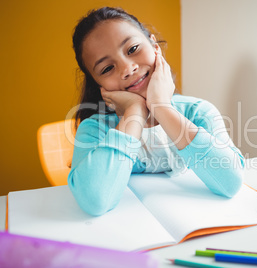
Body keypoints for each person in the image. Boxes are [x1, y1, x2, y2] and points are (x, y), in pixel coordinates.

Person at [68, 7, 244, 216]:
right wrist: (134, 113)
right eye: (107, 68)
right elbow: (95, 201)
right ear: (97, 83)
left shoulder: (198, 112)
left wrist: (161, 107)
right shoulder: (93, 130)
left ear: (154, 47)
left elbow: (230, 183)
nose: (127, 69)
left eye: (133, 49)